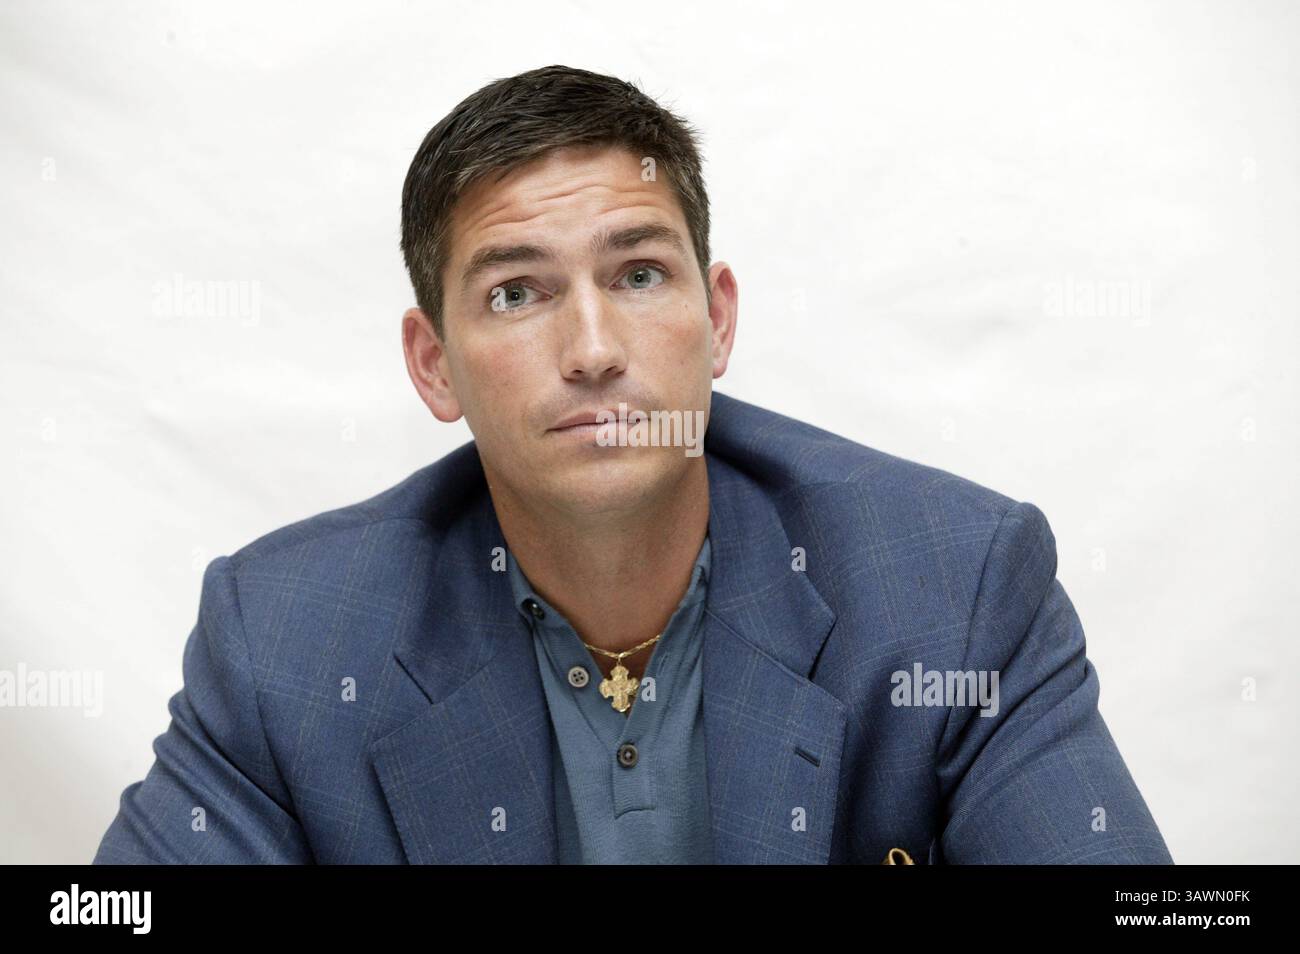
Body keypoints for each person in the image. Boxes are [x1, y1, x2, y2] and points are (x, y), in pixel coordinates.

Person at [93, 64, 1172, 864]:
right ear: (433, 367)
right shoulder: (285, 636)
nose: (595, 350)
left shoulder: (952, 585)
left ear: (717, 321)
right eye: (517, 293)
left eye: (642, 273)